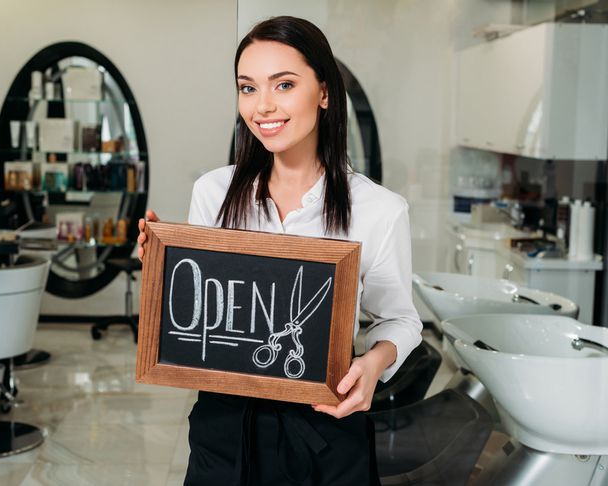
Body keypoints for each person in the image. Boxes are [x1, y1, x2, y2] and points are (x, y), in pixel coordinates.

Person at [137, 16, 422, 486]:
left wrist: (374, 363)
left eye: (283, 84)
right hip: (224, 431)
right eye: (247, 88)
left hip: (325, 429)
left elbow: (400, 319)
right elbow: (201, 316)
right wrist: (163, 271)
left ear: (324, 92)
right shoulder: (213, 192)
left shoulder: (379, 210)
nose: (262, 105)